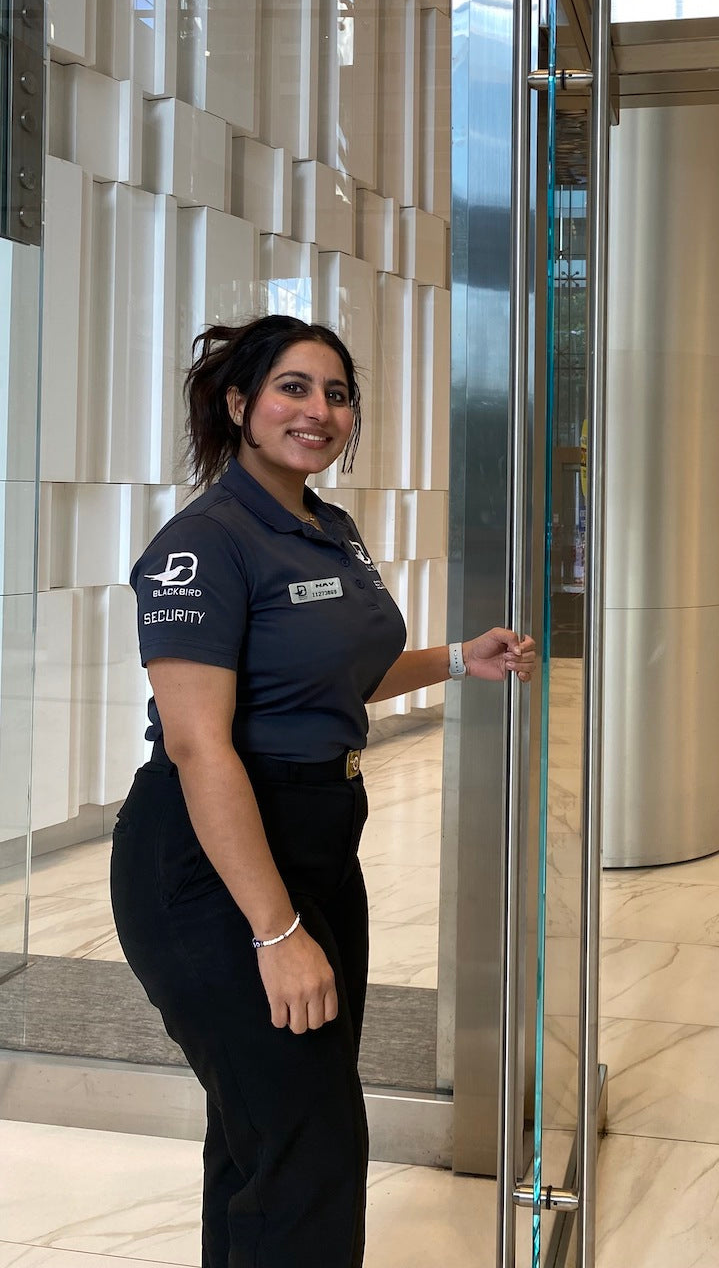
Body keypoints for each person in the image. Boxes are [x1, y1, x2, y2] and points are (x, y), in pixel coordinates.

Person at [110, 315, 536, 1268]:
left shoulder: (327, 530)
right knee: (307, 1142)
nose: (320, 410)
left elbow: (343, 672)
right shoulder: (202, 546)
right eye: (294, 388)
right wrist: (274, 930)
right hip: (211, 862)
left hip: (319, 842)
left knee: (279, 1123)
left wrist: (459, 662)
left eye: (337, 394)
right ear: (239, 405)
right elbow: (198, 745)